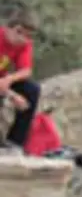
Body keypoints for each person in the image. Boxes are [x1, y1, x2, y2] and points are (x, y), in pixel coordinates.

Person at [0, 9, 40, 149]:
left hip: (3, 81)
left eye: (30, 37)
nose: (28, 41)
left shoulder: (24, 44)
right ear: (17, 30)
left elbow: (26, 70)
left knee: (31, 90)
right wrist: (13, 96)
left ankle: (15, 143)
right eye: (26, 36)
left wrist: (10, 78)